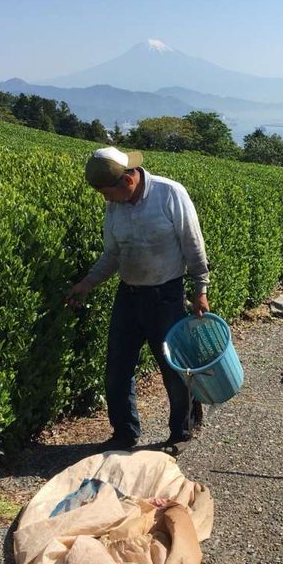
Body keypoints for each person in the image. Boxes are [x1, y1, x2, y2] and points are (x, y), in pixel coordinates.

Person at [67, 146, 210, 453]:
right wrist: (87, 283)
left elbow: (193, 244)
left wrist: (201, 289)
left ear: (128, 181)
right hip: (129, 295)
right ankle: (124, 434)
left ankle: (180, 433)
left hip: (166, 296)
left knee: (174, 370)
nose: (106, 200)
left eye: (107, 192)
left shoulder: (170, 194)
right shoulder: (115, 207)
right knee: (117, 369)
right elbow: (113, 254)